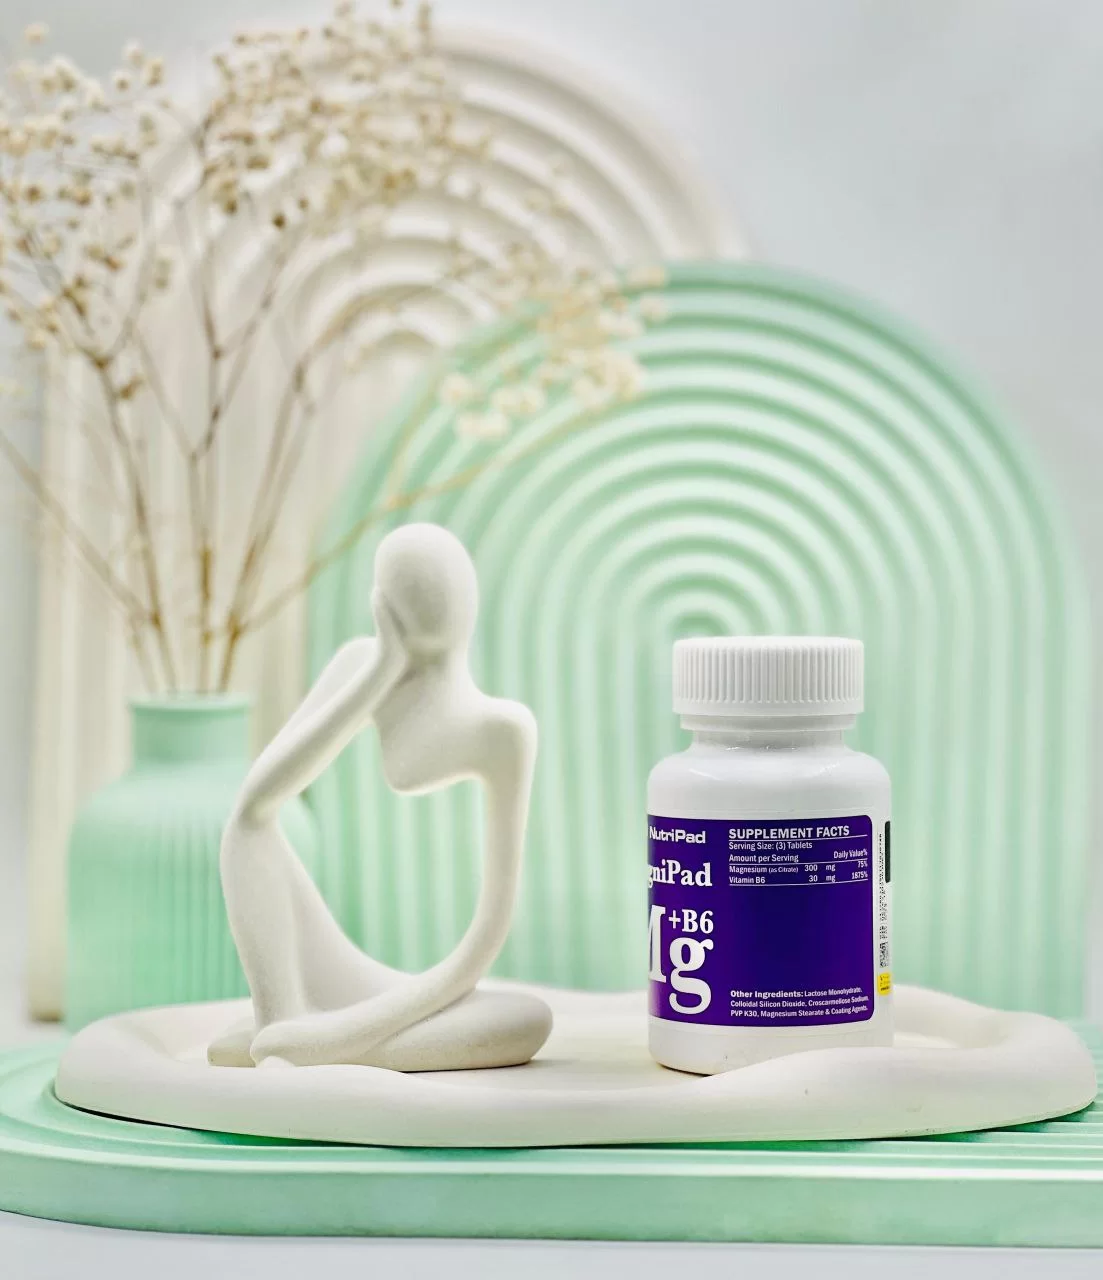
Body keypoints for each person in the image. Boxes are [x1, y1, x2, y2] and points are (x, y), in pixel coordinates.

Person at [212, 523, 552, 1070]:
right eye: (412, 591)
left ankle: (297, 1044)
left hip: (421, 994)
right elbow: (256, 804)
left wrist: (348, 1030)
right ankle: (281, 1021)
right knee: (246, 831)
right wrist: (379, 672)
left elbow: (483, 942)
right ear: (381, 606)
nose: (431, 606)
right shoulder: (359, 666)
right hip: (339, 984)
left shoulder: (502, 730)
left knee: (527, 1018)